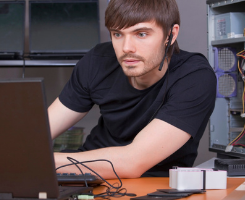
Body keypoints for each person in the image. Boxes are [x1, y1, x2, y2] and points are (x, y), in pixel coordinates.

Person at [48, 0, 216, 179]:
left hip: (151, 187)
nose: (126, 48)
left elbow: (132, 162)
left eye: (141, 34)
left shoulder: (194, 77)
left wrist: (41, 161)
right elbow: (39, 132)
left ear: (171, 35)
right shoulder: (97, 61)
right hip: (83, 177)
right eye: (117, 34)